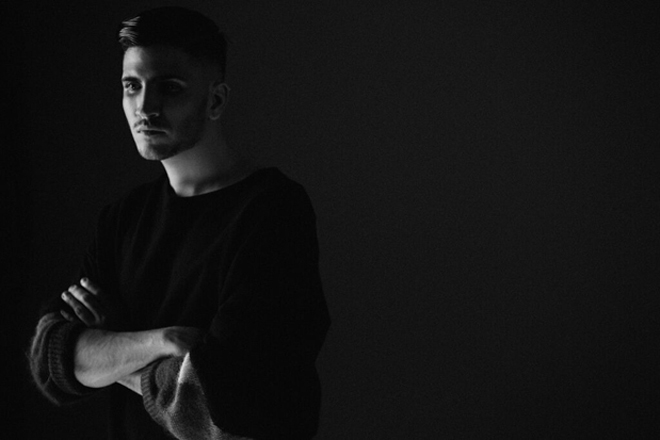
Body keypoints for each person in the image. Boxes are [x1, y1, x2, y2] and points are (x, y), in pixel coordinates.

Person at [28, 6, 330, 440]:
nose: (144, 107)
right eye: (132, 86)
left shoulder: (272, 211)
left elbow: (226, 404)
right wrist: (162, 340)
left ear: (216, 101)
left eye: (169, 88)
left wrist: (113, 345)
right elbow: (49, 358)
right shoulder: (122, 218)